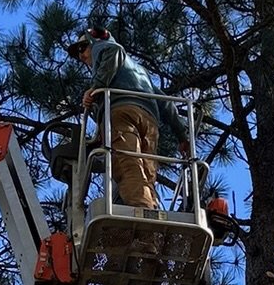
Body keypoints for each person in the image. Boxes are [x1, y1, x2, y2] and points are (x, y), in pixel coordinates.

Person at [68, 28, 191, 211]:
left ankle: (142, 217)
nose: (82, 56)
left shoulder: (104, 49)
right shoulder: (140, 72)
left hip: (121, 112)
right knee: (147, 174)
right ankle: (152, 213)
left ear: (93, 41)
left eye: (82, 48)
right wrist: (182, 136)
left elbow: (113, 50)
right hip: (149, 121)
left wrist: (95, 89)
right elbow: (166, 104)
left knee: (128, 166)